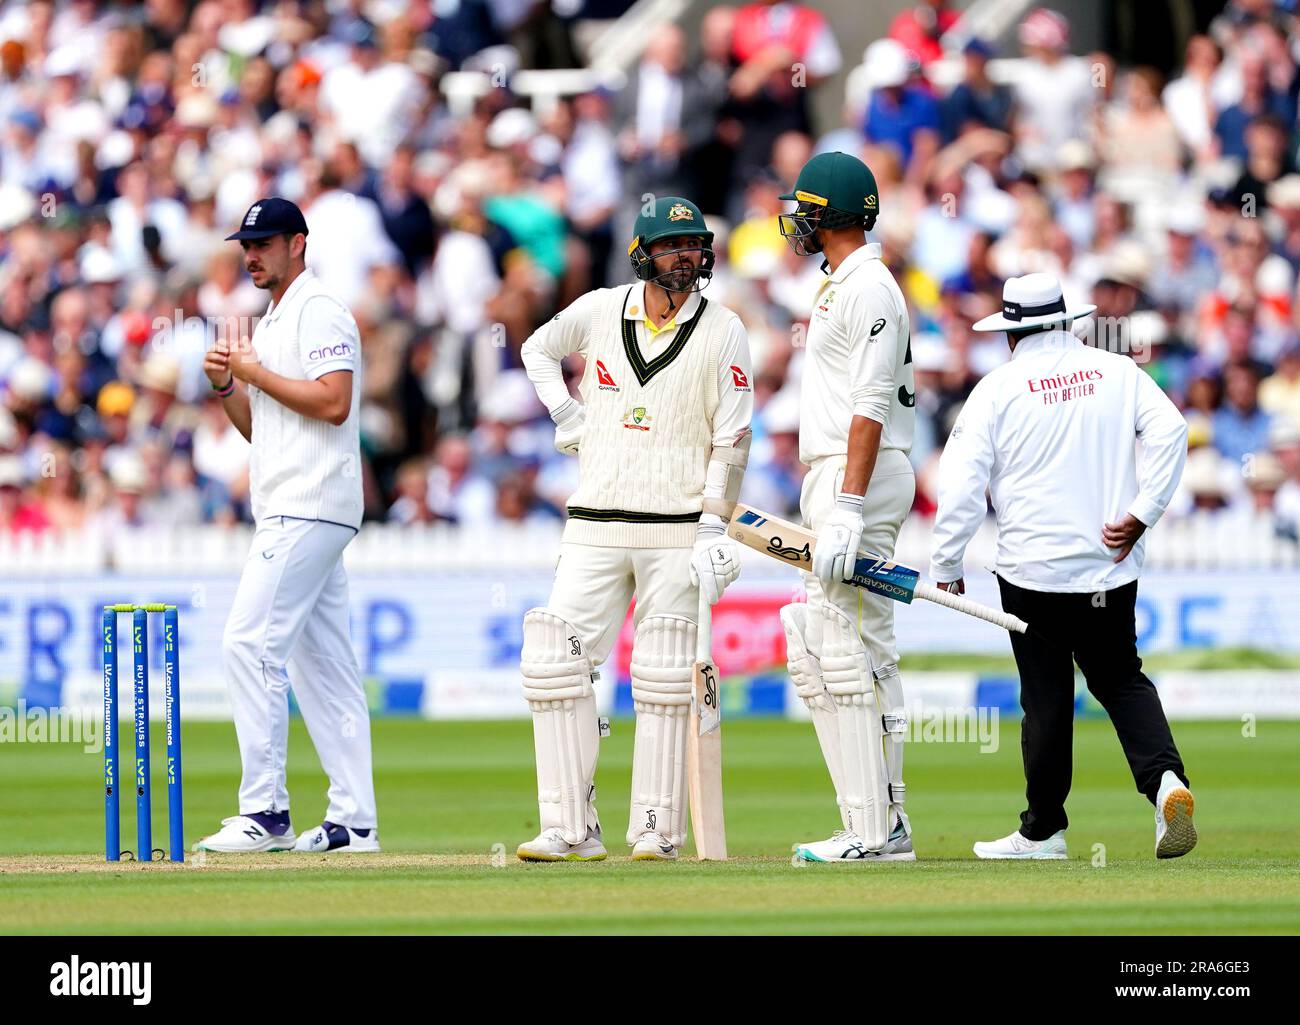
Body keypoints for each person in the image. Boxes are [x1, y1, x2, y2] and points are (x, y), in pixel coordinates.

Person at [516, 196, 753, 862]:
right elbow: (537, 349)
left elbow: (734, 436)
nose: (686, 256)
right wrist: (567, 414)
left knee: (664, 672)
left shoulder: (724, 327)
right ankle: (568, 826)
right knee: (553, 659)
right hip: (595, 521)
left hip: (679, 527)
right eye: (673, 245)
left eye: (694, 245)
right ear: (643, 253)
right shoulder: (597, 309)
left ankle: (655, 827)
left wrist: (713, 526)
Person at [929, 272, 1196, 860]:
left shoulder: (996, 389)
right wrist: (1142, 512)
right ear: (1067, 321)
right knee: (1122, 680)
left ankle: (1044, 829)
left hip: (1032, 574)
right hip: (1109, 564)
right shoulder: (1117, 372)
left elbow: (963, 487)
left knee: (1046, 697)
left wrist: (947, 562)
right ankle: (1166, 784)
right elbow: (1173, 431)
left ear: (1011, 333)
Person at [194, 197, 379, 854]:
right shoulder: (273, 320)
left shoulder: (319, 307)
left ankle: (266, 810)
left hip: (310, 503)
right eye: (246, 244)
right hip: (292, 500)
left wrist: (254, 372)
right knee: (323, 666)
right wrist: (229, 388)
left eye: (264, 242)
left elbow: (334, 402)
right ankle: (355, 821)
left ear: (297, 243)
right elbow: (262, 429)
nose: (252, 254)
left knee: (248, 643)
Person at [777, 151, 917, 862]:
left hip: (855, 472)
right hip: (838, 471)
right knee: (845, 644)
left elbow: (869, 404)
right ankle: (879, 821)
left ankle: (873, 830)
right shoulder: (843, 282)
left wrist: (850, 505)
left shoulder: (869, 286)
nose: (794, 222)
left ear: (828, 215)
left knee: (845, 647)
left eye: (803, 209)